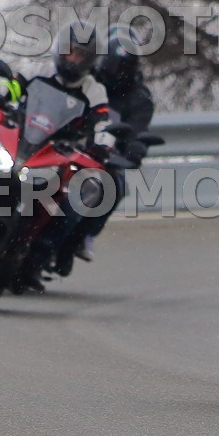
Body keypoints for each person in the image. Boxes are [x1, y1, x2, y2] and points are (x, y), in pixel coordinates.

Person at [0, 22, 116, 272]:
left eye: (81, 55)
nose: (73, 59)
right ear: (60, 49)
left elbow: (102, 122)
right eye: (70, 51)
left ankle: (38, 257)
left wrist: (102, 144)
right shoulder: (38, 70)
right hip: (22, 138)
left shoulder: (94, 91)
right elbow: (14, 84)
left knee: (69, 203)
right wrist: (0, 95)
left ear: (91, 61)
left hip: (57, 152)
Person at [65, 24, 155, 262]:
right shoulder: (85, 78)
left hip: (105, 155)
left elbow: (138, 129)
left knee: (117, 185)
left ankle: (85, 235)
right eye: (113, 63)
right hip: (69, 141)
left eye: (124, 66)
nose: (116, 71)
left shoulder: (140, 98)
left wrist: (135, 149)